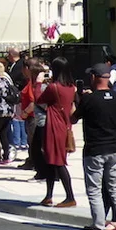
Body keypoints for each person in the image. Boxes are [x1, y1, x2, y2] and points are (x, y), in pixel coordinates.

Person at [72, 64, 116, 230]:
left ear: (94, 77)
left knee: (95, 191)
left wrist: (76, 100)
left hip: (95, 149)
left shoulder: (89, 99)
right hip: (114, 148)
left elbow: (72, 118)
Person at [37, 56, 77, 208]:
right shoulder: (71, 87)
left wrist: (38, 82)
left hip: (54, 127)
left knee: (58, 162)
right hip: (65, 126)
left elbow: (38, 99)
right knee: (51, 161)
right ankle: (48, 195)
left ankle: (70, 197)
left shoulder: (53, 87)